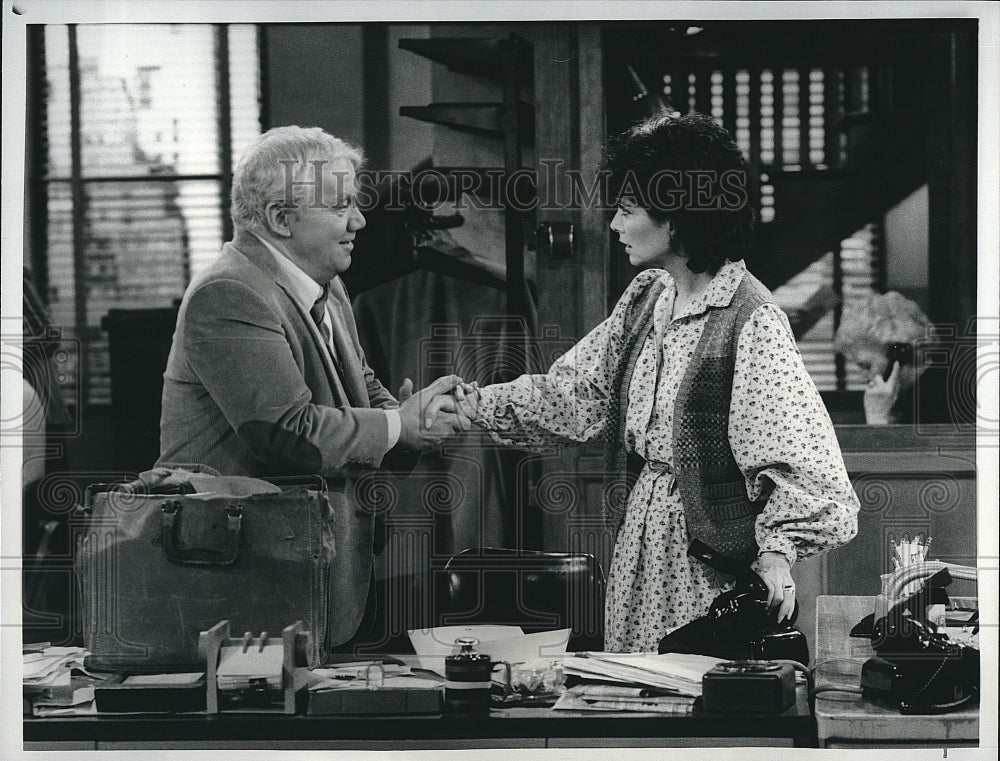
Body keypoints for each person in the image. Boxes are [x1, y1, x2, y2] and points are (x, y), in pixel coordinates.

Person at [459, 113, 860, 653]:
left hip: (705, 569)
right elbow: (576, 395)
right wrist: (471, 404)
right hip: (640, 546)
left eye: (627, 211)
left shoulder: (750, 318)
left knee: (689, 710)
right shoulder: (648, 297)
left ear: (677, 217)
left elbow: (805, 468)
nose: (614, 226)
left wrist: (777, 553)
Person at [157, 125, 469, 647]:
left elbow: (361, 390)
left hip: (309, 576)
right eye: (340, 206)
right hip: (242, 587)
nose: (359, 221)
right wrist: (399, 425)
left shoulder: (326, 283)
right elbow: (286, 434)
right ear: (281, 219)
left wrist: (417, 421)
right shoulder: (230, 292)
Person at [834, 291, 954, 425]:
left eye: (867, 366)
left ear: (899, 355)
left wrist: (877, 418)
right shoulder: (910, 394)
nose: (862, 377)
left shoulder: (941, 400)